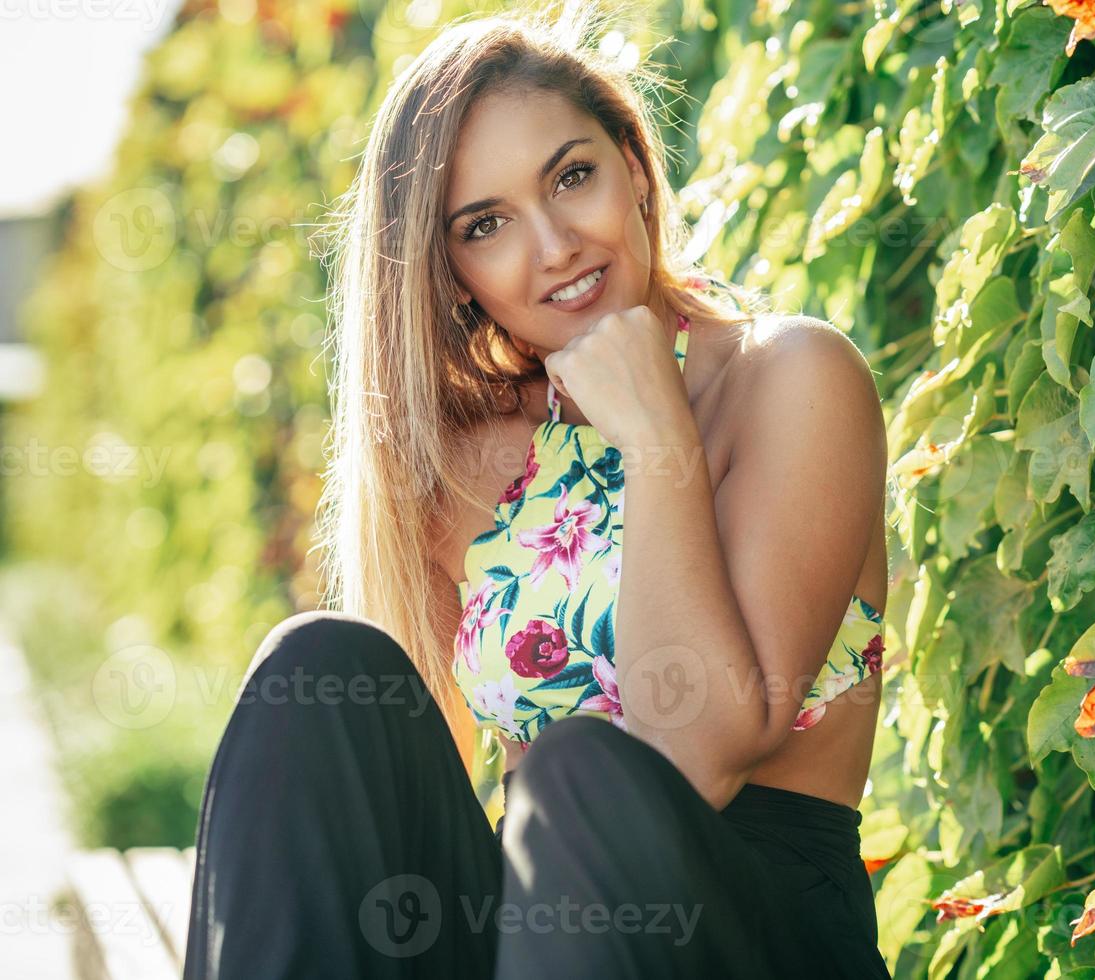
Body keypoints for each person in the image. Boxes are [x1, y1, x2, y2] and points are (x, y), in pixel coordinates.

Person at [183, 2, 891, 977]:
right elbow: (391, 817)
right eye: (487, 224)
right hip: (541, 941)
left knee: (580, 771)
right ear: (457, 273)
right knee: (316, 672)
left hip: (759, 931)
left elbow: (697, 754)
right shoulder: (475, 462)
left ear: (634, 168)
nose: (554, 244)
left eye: (572, 175)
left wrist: (654, 436)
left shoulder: (793, 379)